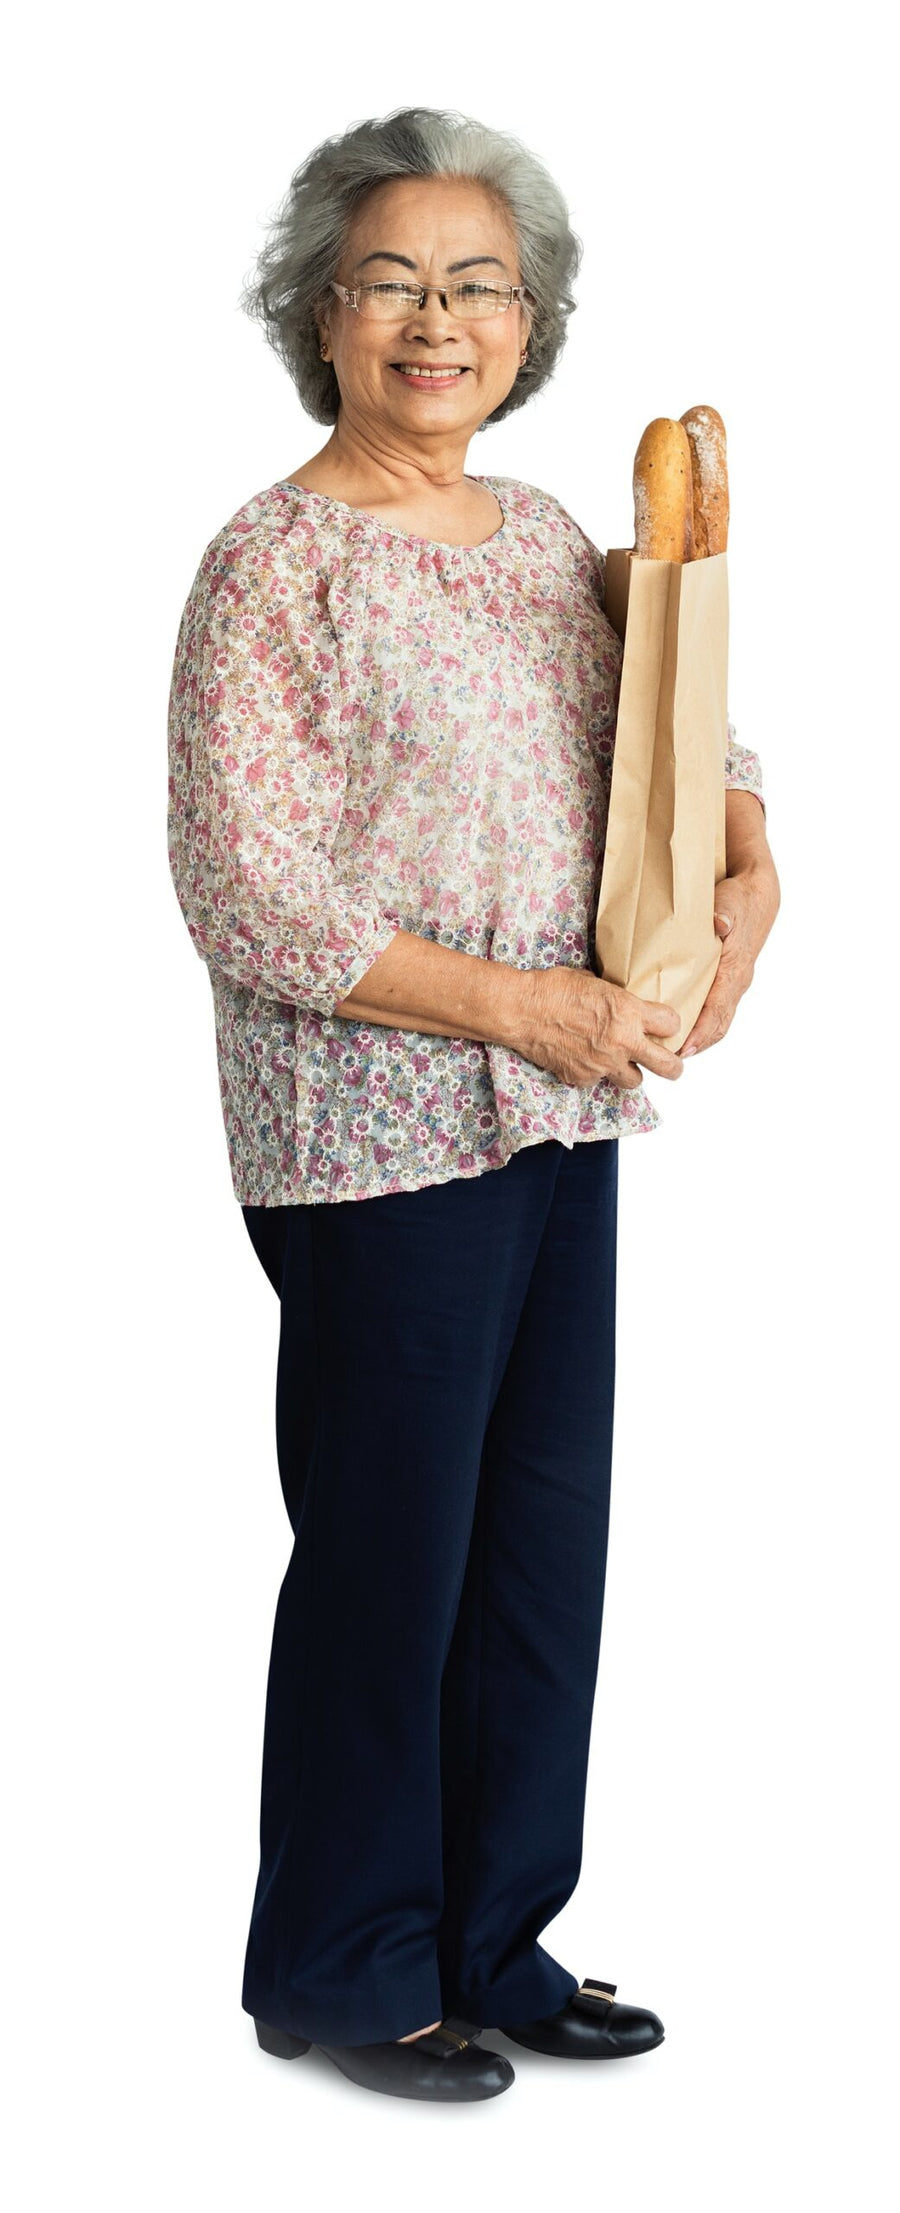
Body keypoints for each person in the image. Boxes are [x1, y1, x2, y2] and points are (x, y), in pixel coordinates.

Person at [167, 105, 780, 2105]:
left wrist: (750, 861)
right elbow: (249, 892)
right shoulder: (274, 564)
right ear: (320, 318)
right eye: (393, 283)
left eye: (480, 285)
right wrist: (527, 1007)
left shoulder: (542, 541)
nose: (439, 321)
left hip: (563, 1115)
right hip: (371, 1135)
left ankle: (495, 1940)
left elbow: (684, 729)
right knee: (391, 1556)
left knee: (534, 1548)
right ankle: (343, 1967)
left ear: (531, 324)